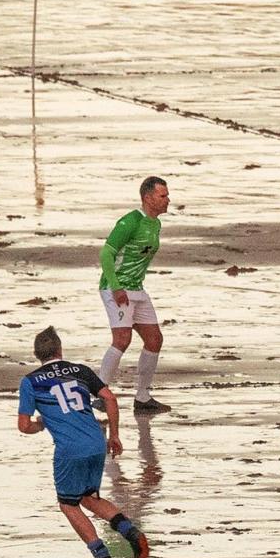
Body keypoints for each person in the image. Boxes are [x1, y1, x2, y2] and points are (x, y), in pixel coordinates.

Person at [16, 327, 150, 558]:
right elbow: (110, 398)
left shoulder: (31, 381)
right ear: (59, 350)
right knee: (90, 497)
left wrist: (41, 424)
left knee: (68, 504)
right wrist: (115, 435)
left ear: (37, 354)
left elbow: (24, 426)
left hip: (70, 449)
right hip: (96, 442)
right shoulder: (80, 371)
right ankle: (131, 533)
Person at [98, 176, 171, 414]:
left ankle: (142, 397)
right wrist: (116, 287)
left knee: (154, 340)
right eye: (163, 196)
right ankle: (100, 393)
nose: (167, 200)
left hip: (137, 289)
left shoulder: (155, 224)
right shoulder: (130, 222)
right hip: (116, 287)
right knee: (122, 339)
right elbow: (106, 255)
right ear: (148, 198)